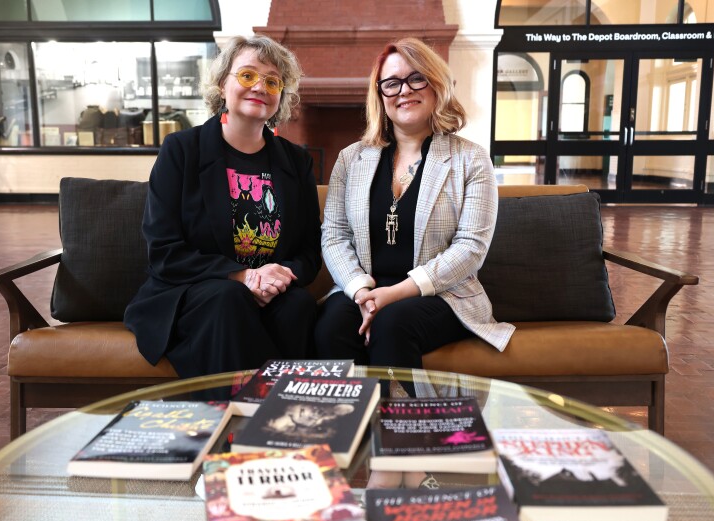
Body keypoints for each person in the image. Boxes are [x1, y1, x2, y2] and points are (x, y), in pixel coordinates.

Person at [315, 37, 515, 384]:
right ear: (380, 95)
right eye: (391, 83)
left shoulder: (471, 158)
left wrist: (394, 294)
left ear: (436, 84)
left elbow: (471, 248)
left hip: (441, 295)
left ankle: (400, 430)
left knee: (393, 324)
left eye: (416, 78)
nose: (403, 91)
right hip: (364, 288)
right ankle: (345, 429)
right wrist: (362, 292)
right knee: (331, 326)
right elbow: (334, 235)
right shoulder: (351, 158)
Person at [124, 35, 321, 386]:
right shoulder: (182, 150)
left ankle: (285, 417)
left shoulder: (296, 161)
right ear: (221, 84)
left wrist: (276, 277)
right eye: (247, 75)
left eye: (272, 81)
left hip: (268, 295)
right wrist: (241, 276)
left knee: (299, 305)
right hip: (193, 294)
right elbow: (164, 251)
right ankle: (237, 420)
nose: (260, 86)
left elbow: (309, 249)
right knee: (229, 298)